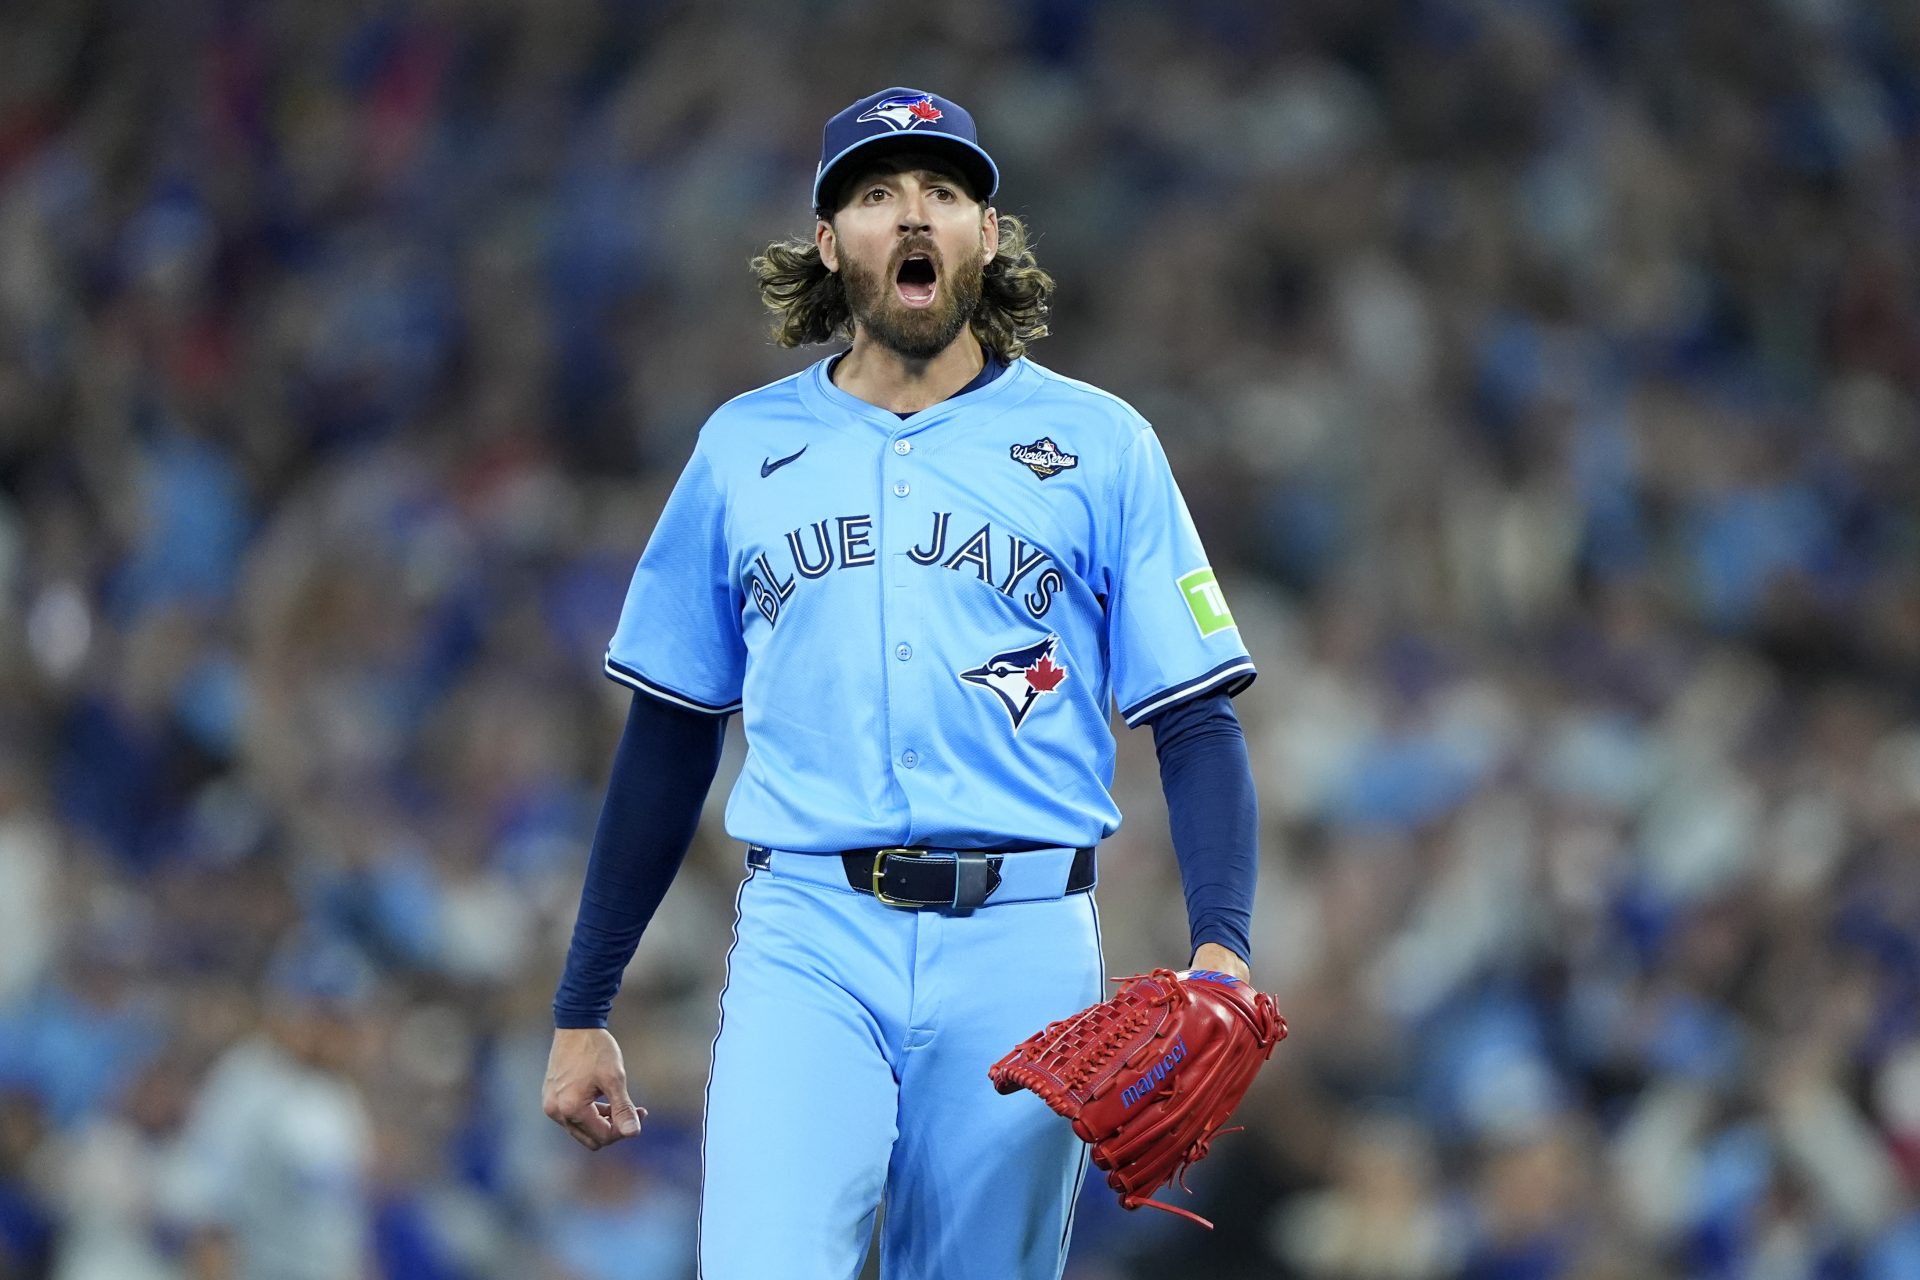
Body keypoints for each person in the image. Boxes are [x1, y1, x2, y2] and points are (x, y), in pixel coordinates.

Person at [541, 86, 1262, 1280]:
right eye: (876, 194)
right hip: (808, 931)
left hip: (1024, 938)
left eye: (942, 190)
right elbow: (668, 736)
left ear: (987, 232)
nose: (911, 214)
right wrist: (584, 1002)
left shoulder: (1102, 444)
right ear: (831, 245)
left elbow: (1194, 718)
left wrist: (1222, 945)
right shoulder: (740, 449)